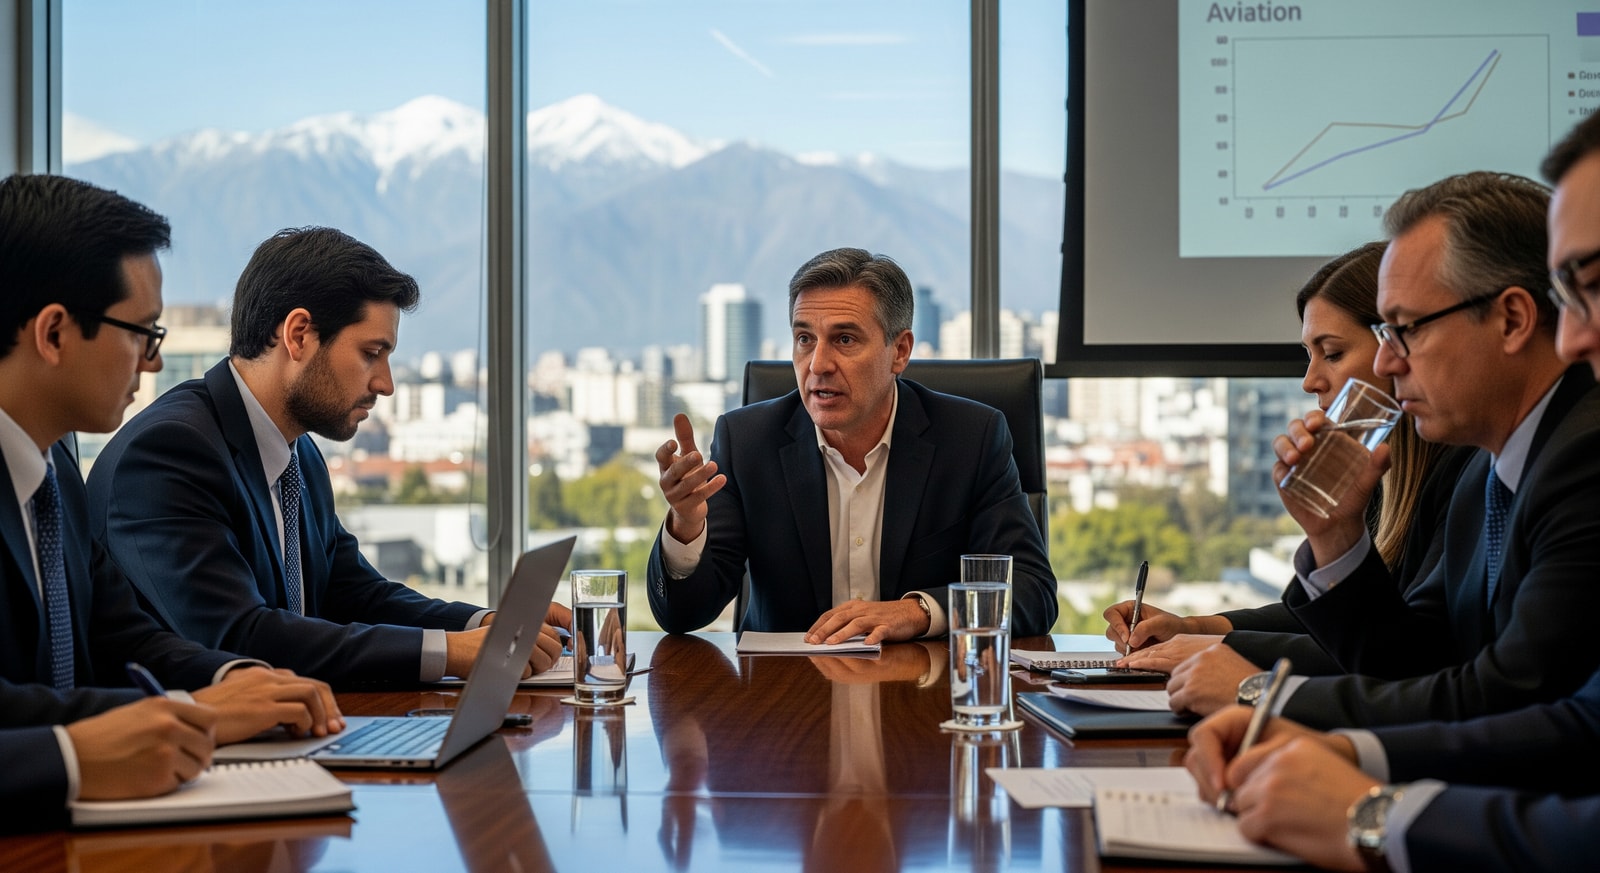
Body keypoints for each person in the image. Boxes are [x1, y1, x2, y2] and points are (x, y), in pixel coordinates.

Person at [1163, 171, 1600, 724]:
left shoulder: (1583, 458)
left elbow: (1511, 699)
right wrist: (1336, 536)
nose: (1389, 364)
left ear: (1512, 319)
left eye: (1404, 331)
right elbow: (1417, 663)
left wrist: (1261, 696)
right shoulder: (1485, 478)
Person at [0, 173, 341, 828]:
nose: (152, 363)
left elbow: (124, 635)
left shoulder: (54, 472)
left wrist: (231, 679)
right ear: (53, 334)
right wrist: (76, 751)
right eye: (143, 334)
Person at [86, 227, 568, 686]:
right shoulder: (170, 452)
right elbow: (239, 637)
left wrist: (482, 623)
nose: (386, 383)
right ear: (298, 335)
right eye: (371, 353)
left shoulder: (298, 453)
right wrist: (452, 652)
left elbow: (355, 594)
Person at [647, 247, 1056, 643]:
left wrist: (919, 611)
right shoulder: (748, 441)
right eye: (804, 339)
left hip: (921, 695)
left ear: (900, 351)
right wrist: (686, 525)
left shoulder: (971, 437)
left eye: (844, 340)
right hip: (785, 698)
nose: (818, 364)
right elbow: (683, 616)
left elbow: (1031, 590)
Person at [1104, 242, 1471, 675]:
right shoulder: (1378, 476)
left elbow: (1409, 658)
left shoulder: (1464, 474)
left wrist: (1231, 656)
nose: (1310, 381)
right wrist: (1196, 627)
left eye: (1332, 353)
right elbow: (1324, 617)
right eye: (1309, 355)